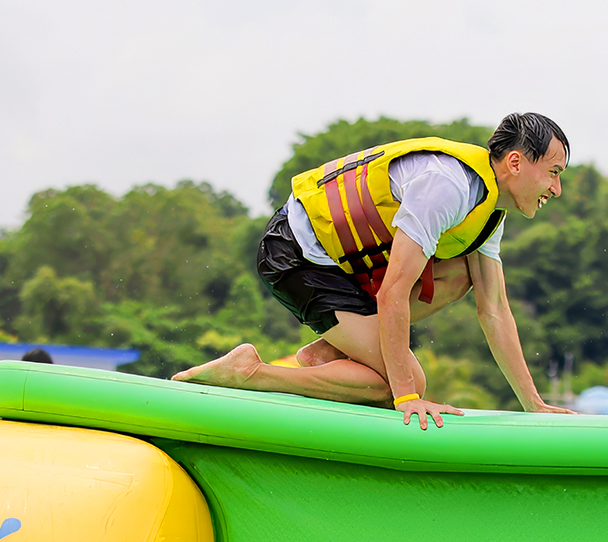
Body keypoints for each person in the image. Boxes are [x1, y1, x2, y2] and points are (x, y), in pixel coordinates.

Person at [175, 113, 576, 427]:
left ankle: (331, 351)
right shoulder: (446, 187)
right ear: (516, 162)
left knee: (461, 275)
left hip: (342, 266)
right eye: (554, 173)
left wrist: (533, 404)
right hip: (297, 252)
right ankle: (249, 371)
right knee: (401, 384)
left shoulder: (490, 212)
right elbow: (393, 292)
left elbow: (495, 310)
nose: (556, 189)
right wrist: (406, 397)